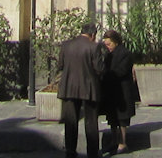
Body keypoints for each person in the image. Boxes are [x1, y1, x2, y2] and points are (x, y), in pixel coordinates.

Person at [57, 21, 105, 158]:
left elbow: (61, 65)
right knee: (91, 122)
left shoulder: (66, 45)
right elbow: (99, 69)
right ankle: (92, 152)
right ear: (93, 34)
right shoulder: (93, 47)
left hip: (69, 87)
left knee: (71, 121)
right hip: (88, 87)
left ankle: (70, 150)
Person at [99, 29, 136, 154]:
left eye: (109, 44)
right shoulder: (108, 55)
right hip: (111, 91)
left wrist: (107, 74)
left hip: (122, 91)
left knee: (122, 120)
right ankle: (114, 141)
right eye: (106, 45)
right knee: (112, 119)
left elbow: (122, 71)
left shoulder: (125, 53)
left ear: (115, 42)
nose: (107, 47)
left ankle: (122, 143)